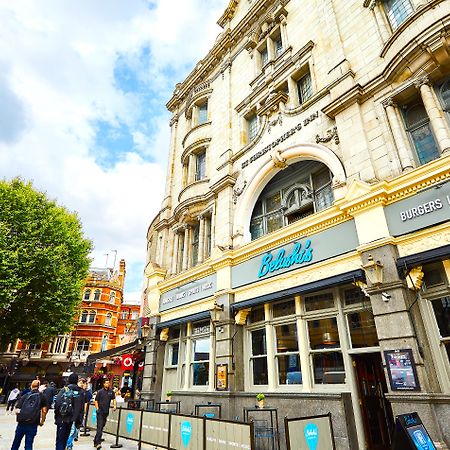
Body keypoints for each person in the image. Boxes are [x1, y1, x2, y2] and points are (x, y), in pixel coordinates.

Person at [10, 379, 47, 450]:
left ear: (31, 386)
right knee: (29, 444)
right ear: (38, 386)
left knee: (16, 442)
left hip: (21, 423)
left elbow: (17, 410)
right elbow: (44, 411)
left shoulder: (25, 396)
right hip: (33, 423)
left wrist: (19, 418)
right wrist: (42, 421)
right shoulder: (42, 397)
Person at [54, 373, 84, 450]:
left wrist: (56, 416)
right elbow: (81, 408)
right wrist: (79, 421)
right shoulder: (80, 392)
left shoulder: (64, 390)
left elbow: (57, 403)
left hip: (62, 418)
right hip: (71, 419)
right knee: (65, 438)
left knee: (60, 440)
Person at [93, 379, 116, 449]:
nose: (108, 384)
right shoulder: (100, 392)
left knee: (102, 425)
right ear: (103, 384)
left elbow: (114, 398)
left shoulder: (111, 392)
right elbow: (96, 400)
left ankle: (95, 440)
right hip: (100, 411)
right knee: (99, 426)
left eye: (108, 383)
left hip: (106, 411)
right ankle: (98, 443)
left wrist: (115, 405)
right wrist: (97, 409)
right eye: (106, 383)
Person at [65, 378, 87, 450]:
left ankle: (68, 443)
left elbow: (85, 403)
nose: (81, 384)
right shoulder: (71, 391)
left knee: (75, 432)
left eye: (82, 383)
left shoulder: (83, 392)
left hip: (79, 415)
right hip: (72, 414)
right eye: (80, 382)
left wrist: (84, 412)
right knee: (72, 431)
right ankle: (69, 445)